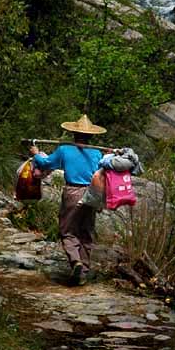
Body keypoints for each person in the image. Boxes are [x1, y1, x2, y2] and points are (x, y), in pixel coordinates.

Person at [29, 114, 108, 286]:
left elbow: (46, 163)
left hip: (72, 192)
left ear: (74, 134)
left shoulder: (65, 150)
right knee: (87, 231)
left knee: (67, 230)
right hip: (92, 194)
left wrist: (36, 154)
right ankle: (84, 271)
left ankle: (75, 261)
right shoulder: (97, 153)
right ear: (91, 136)